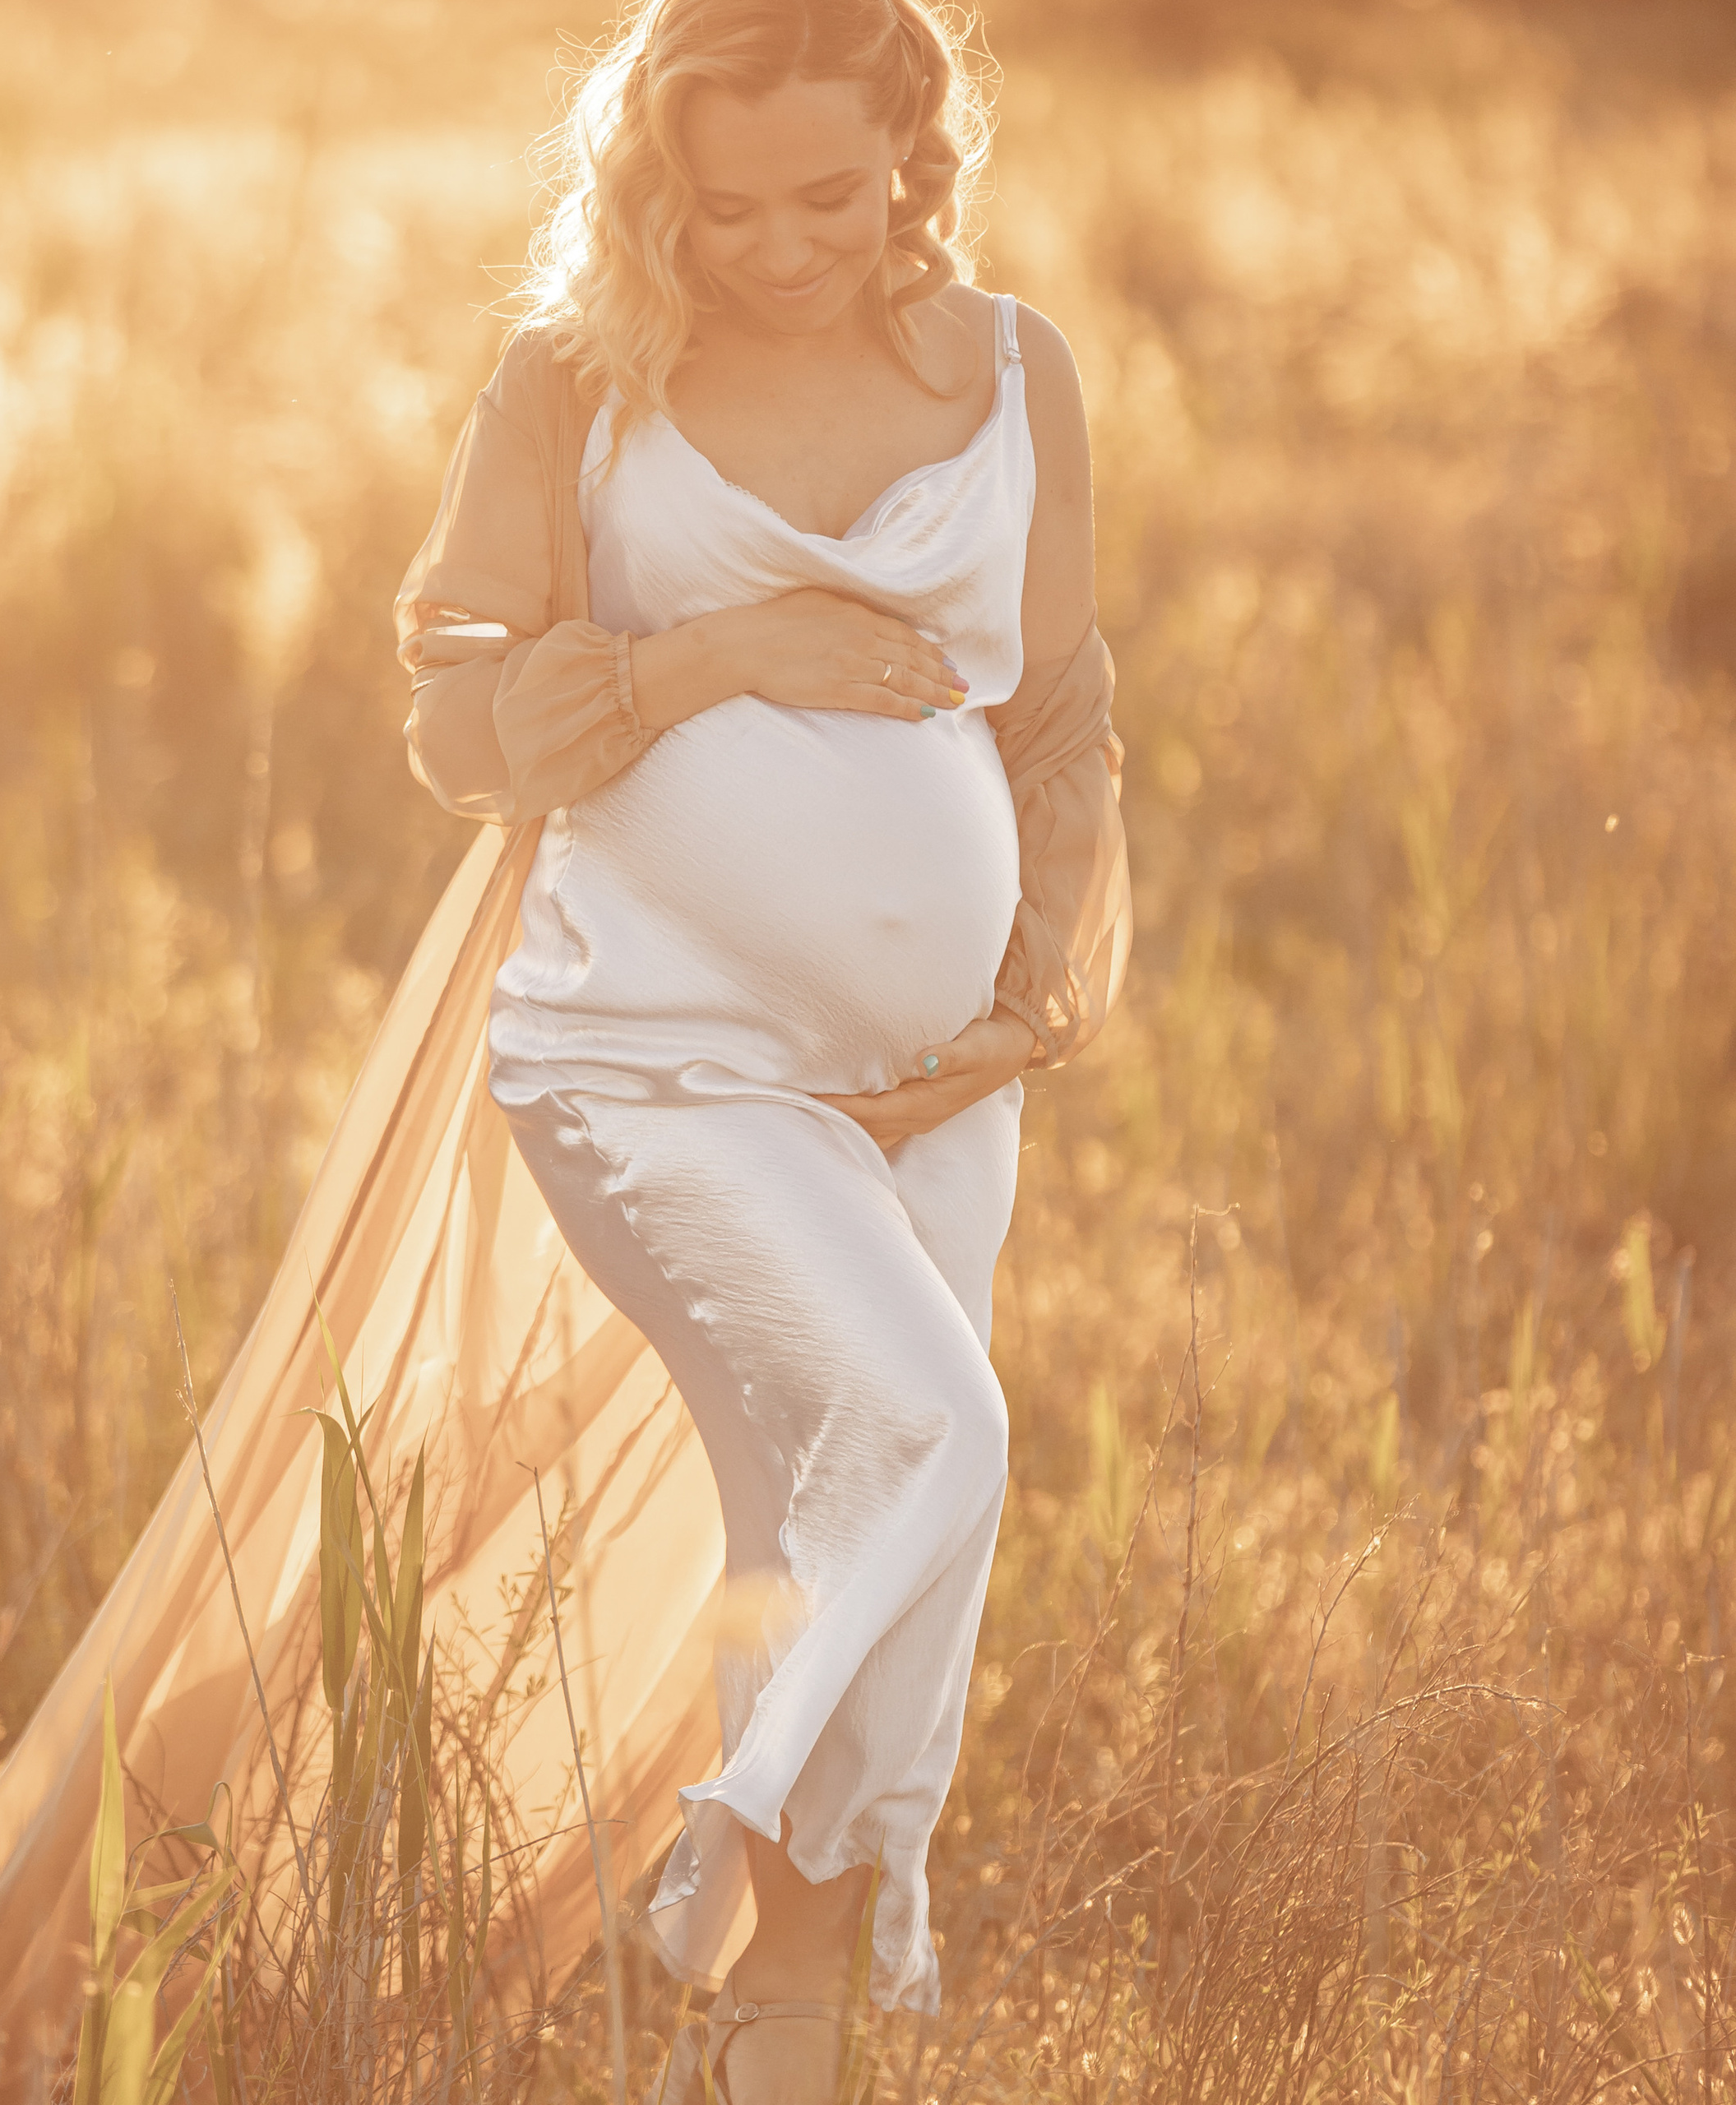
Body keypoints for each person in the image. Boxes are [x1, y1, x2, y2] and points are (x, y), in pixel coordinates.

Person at [396, 2, 1132, 2099]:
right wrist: (718, 651)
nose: (784, 246)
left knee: (827, 1487)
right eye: (726, 208)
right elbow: (453, 723)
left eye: (830, 193)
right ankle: (743, 1875)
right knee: (928, 1425)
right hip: (648, 1051)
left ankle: (772, 2021)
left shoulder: (1013, 371)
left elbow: (1056, 711)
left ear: (916, 149)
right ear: (655, 182)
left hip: (923, 1082)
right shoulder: (572, 383)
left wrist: (1023, 1003)